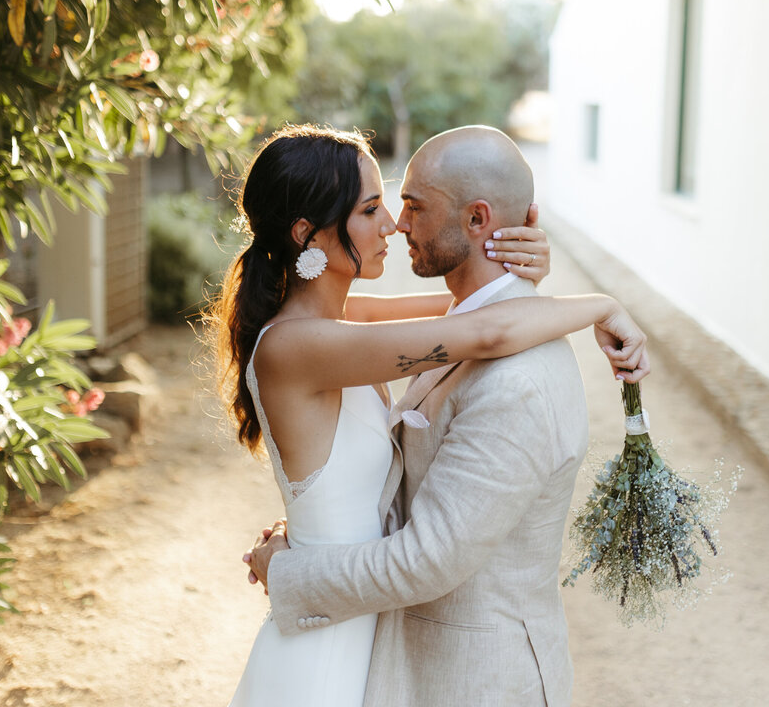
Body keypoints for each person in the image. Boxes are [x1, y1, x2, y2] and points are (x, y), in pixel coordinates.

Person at [214, 124, 649, 707]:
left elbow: (472, 310)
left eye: (404, 206)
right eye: (373, 209)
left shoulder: (347, 324)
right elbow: (483, 328)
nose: (393, 223)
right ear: (306, 233)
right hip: (328, 643)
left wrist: (522, 272)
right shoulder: (301, 346)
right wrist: (603, 304)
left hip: (369, 630)